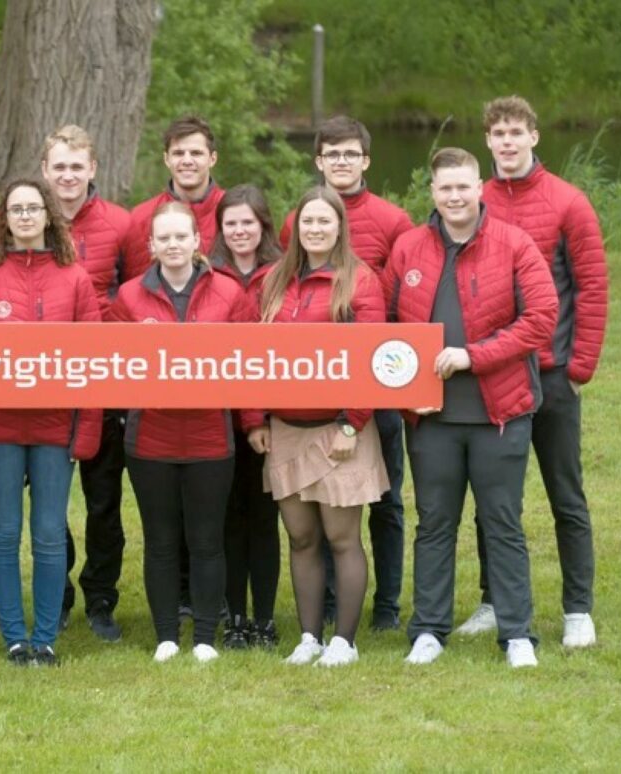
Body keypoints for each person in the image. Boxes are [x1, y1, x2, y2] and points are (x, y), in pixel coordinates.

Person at [383, 147, 558, 669]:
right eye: (444, 188)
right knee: (434, 521)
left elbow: (542, 318)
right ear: (432, 192)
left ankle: (516, 633)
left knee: (502, 521)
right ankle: (429, 629)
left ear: (479, 187)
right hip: (430, 418)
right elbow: (386, 325)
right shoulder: (410, 247)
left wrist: (473, 355)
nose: (454, 196)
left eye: (463, 186)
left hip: (500, 413)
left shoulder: (513, 243)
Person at [454, 96, 608, 649]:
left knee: (566, 493)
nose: (507, 143)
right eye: (497, 134)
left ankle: (577, 610)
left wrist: (579, 366)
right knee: (494, 497)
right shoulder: (476, 200)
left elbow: (590, 287)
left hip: (552, 373)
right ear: (487, 142)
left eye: (516, 132)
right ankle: (495, 601)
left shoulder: (568, 202)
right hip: (494, 375)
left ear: (534, 137)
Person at [0, 179, 102, 666]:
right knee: (3, 532)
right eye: (16, 209)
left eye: (34, 208)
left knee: (51, 532)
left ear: (48, 216)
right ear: (5, 218)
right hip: (0, 430)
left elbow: (93, 363)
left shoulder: (74, 277)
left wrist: (88, 432)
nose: (26, 216)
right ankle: (15, 635)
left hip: (57, 430)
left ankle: (46, 637)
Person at [243, 188, 388, 668]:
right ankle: (309, 636)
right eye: (308, 222)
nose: (316, 229)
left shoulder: (360, 281)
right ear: (296, 228)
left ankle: (344, 641)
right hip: (285, 427)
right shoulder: (274, 280)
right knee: (301, 537)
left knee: (342, 537)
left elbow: (372, 359)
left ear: (340, 226)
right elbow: (251, 355)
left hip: (339, 429)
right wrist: (254, 417)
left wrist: (353, 423)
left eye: (325, 221)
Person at [280, 116, 414, 631]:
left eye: (349, 153)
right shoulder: (297, 225)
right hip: (301, 407)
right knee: (317, 515)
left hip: (372, 388)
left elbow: (398, 304)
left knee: (383, 501)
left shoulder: (393, 220)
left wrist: (364, 405)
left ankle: (384, 608)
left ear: (365, 160)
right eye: (331, 153)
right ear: (319, 160)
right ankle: (327, 610)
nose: (340, 161)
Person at [112, 201, 255, 664]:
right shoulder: (130, 296)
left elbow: (252, 363)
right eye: (164, 239)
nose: (173, 245)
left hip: (211, 436)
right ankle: (167, 636)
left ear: (197, 241)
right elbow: (112, 365)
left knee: (207, 539)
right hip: (151, 436)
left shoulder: (230, 294)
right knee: (160, 539)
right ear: (151, 246)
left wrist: (252, 422)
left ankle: (207, 638)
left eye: (181, 237)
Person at [40, 124, 132, 641]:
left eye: (77, 166)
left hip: (104, 382)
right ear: (46, 172)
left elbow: (142, 292)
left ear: (92, 169)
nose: (68, 176)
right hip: (46, 385)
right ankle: (58, 594)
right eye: (59, 167)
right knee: (51, 500)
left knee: (103, 500)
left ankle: (101, 597)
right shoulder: (26, 222)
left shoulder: (119, 224)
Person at [207, 184, 282, 650]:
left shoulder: (282, 272)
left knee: (264, 519)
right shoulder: (205, 274)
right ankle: (234, 615)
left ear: (263, 226)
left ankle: (266, 618)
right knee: (229, 520)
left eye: (247, 223)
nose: (239, 231)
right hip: (219, 416)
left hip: (271, 418)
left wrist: (261, 416)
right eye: (230, 223)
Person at [123, 116, 224, 281]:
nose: (187, 161)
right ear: (166, 159)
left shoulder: (234, 213)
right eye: (178, 153)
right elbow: (134, 283)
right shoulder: (141, 218)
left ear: (212, 159)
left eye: (196, 153)